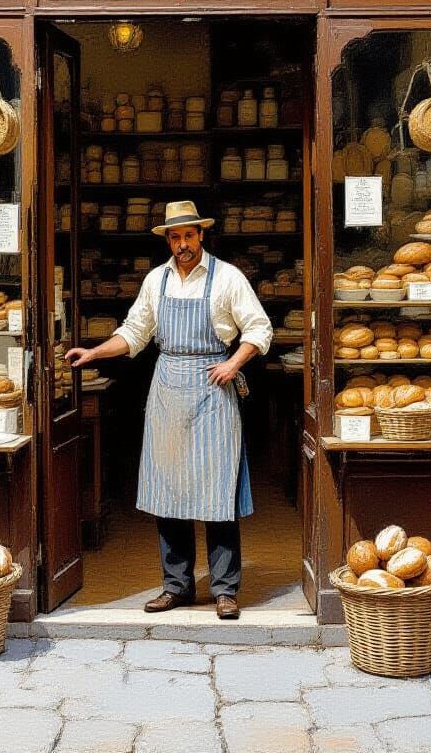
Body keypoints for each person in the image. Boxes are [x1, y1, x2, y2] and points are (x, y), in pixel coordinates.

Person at [66, 200, 272, 619]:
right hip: (167, 389)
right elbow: (134, 333)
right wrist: (93, 353)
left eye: (189, 236)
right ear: (168, 240)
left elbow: (259, 327)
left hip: (213, 390)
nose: (182, 244)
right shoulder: (155, 281)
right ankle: (175, 587)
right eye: (175, 237)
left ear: (201, 235)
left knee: (218, 495)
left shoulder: (226, 278)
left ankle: (224, 590)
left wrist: (233, 363)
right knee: (170, 493)